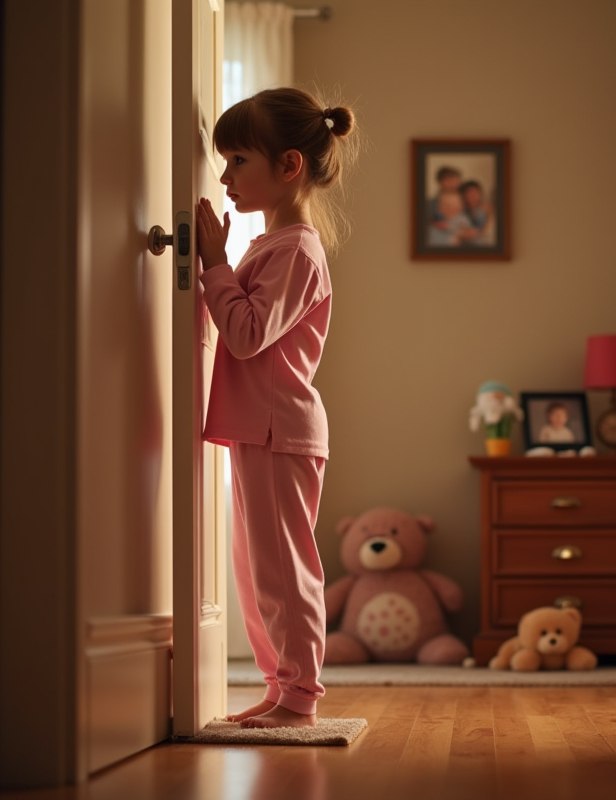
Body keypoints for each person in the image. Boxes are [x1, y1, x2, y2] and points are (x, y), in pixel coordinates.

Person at [195, 87, 358, 729]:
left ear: (288, 166)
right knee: (257, 568)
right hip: (261, 428)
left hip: (279, 429)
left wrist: (213, 262)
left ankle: (300, 696)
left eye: (238, 161)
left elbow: (245, 333)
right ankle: (281, 686)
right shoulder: (273, 246)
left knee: (284, 569)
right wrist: (225, 264)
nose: (225, 176)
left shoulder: (295, 249)